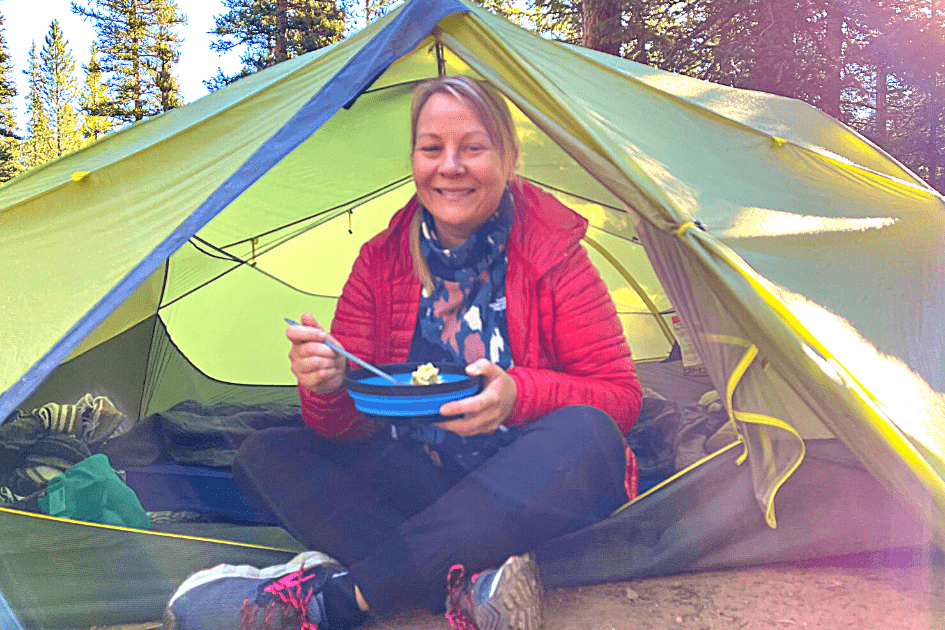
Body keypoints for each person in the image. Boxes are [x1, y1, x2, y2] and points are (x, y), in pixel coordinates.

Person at [163, 76, 642, 630]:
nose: (450, 167)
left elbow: (621, 398)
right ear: (414, 159)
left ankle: (339, 599)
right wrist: (327, 385)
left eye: (473, 147)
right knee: (264, 455)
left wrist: (518, 396)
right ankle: (472, 578)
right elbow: (342, 427)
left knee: (589, 436)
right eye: (432, 148)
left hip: (531, 480)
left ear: (509, 158)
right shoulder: (381, 261)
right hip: (426, 481)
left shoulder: (553, 252)